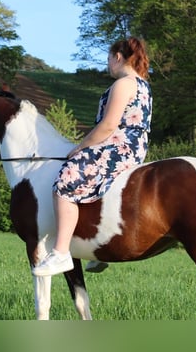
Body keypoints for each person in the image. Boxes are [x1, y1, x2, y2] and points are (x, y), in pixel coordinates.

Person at [32, 37, 153, 276]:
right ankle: (97, 248)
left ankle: (60, 253)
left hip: (117, 146)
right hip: (135, 147)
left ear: (118, 57)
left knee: (64, 183)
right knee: (94, 185)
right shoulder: (143, 85)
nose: (108, 65)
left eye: (109, 59)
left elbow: (108, 126)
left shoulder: (123, 84)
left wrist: (81, 146)